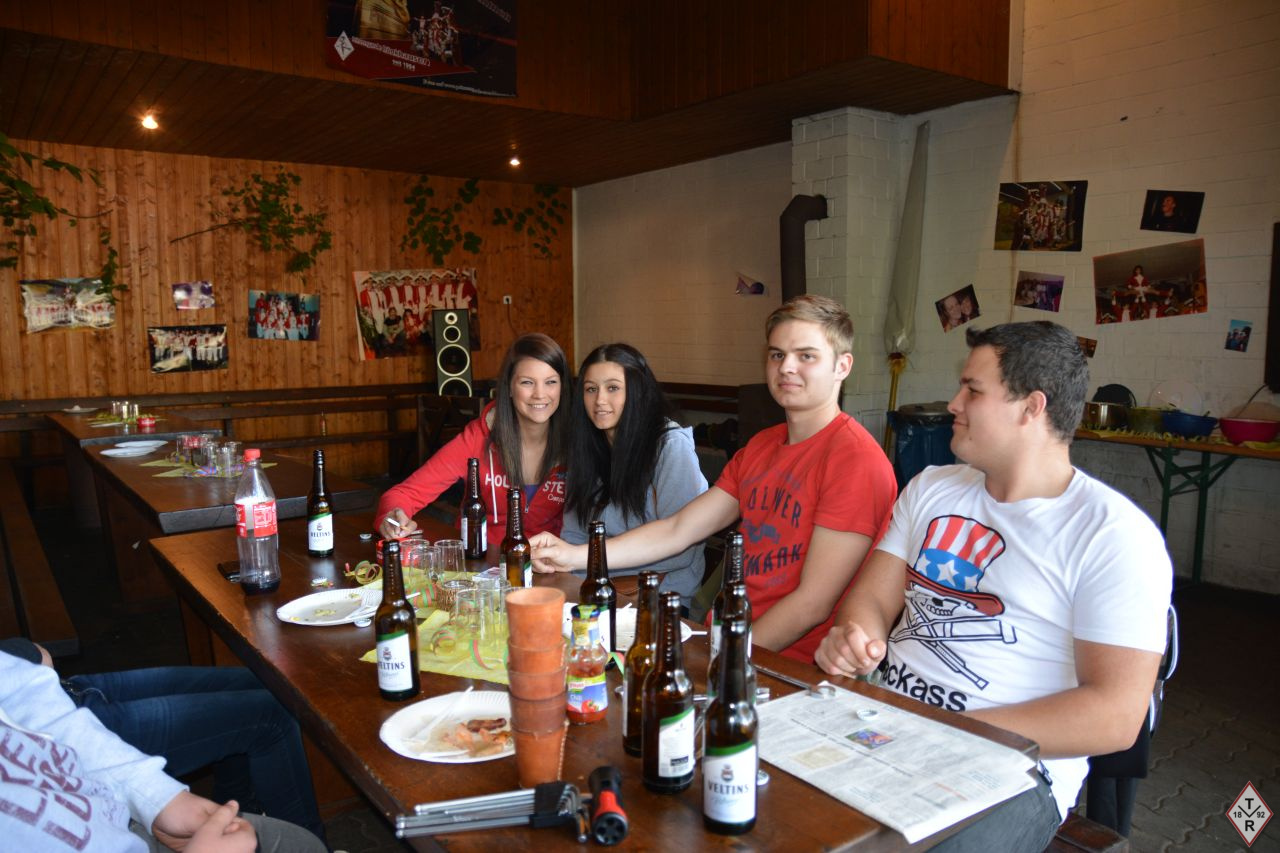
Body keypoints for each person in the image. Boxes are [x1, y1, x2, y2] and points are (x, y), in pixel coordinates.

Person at [815, 321, 1171, 849]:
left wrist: (941, 728)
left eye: (973, 390)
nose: (954, 404)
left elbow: (1116, 716)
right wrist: (856, 637)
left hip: (1011, 766)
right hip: (881, 723)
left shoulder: (1113, 535)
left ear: (1031, 407)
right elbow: (871, 598)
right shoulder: (932, 486)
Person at [531, 295, 897, 662]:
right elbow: (678, 529)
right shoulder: (761, 447)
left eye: (806, 356)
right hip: (725, 639)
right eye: (777, 354)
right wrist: (572, 554)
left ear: (842, 366)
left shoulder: (854, 459)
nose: (786, 367)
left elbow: (812, 604)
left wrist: (722, 662)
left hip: (790, 665)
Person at [0, 637, 326, 843]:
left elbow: (22, 683)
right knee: (272, 714)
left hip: (63, 695)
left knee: (268, 684)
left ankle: (240, 803)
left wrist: (160, 798)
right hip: (73, 732)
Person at [377, 333, 570, 539]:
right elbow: (404, 494)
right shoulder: (477, 438)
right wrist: (392, 517)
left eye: (551, 382)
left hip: (553, 557)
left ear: (562, 386)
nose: (540, 394)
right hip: (486, 555)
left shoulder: (576, 441)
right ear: (509, 387)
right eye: (527, 382)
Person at [558, 343, 708, 607]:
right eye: (591, 389)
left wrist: (585, 561)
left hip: (661, 598)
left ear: (637, 392)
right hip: (597, 588)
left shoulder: (669, 446)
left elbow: (683, 551)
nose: (599, 400)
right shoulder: (585, 447)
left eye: (613, 388)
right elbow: (574, 535)